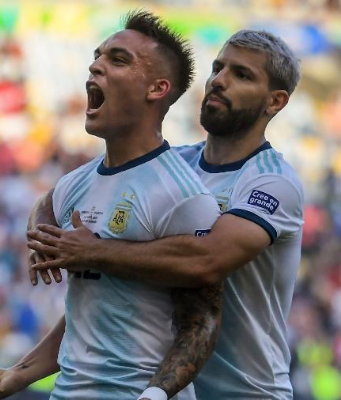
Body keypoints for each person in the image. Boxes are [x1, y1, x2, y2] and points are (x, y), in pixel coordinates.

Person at [0, 10, 223, 400]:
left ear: (156, 89)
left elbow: (201, 325)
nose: (95, 66)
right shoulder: (73, 185)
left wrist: (154, 395)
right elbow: (88, 316)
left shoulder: (183, 197)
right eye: (97, 56)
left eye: (118, 60)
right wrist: (17, 376)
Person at [28, 29, 304, 399]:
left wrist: (90, 251)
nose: (219, 80)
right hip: (169, 390)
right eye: (218, 68)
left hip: (247, 392)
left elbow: (206, 260)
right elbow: (55, 199)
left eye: (241, 75)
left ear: (275, 101)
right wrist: (44, 235)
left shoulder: (272, 181)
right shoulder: (170, 167)